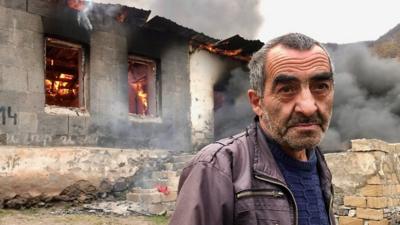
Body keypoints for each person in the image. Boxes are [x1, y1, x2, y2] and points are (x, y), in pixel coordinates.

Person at [169, 33, 336, 225]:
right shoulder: (217, 168)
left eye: (321, 86)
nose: (308, 107)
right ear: (257, 102)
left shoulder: (318, 163)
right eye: (287, 90)